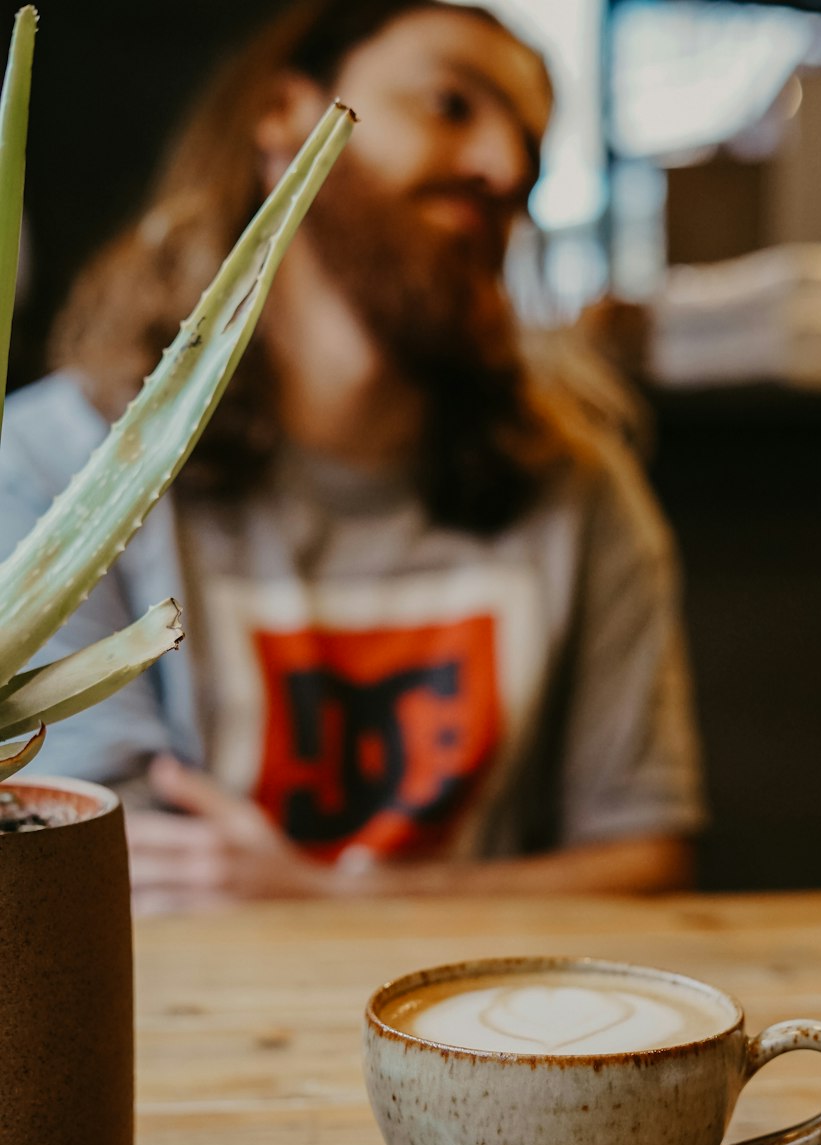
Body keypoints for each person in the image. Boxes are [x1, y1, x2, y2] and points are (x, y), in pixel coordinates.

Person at [0, 0, 704, 911]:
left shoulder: (580, 486)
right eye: (453, 105)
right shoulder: (65, 468)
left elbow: (649, 863)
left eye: (530, 144)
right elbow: (110, 869)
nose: (507, 167)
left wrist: (331, 898)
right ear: (287, 116)